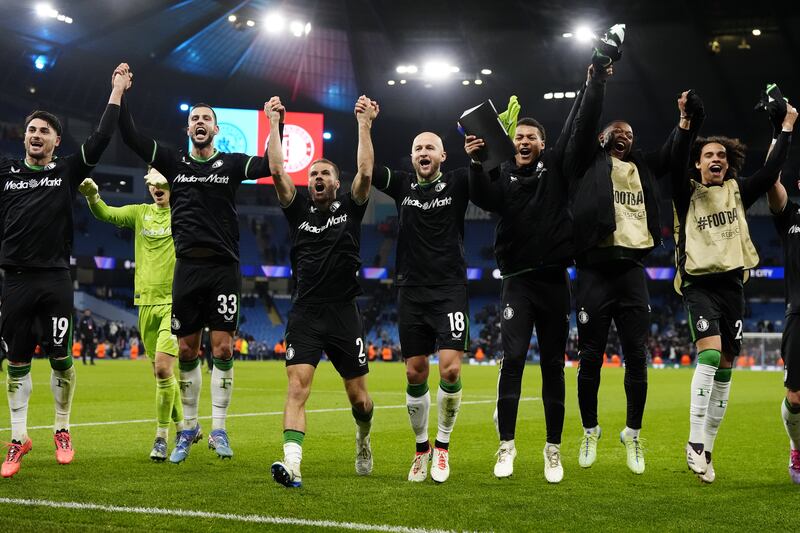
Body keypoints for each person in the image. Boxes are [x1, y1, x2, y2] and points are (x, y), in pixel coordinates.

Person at [116, 63, 282, 463]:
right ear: (188, 129)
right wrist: (119, 93)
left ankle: (220, 430)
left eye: (207, 118)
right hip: (186, 268)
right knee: (187, 351)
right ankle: (189, 429)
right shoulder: (174, 162)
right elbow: (133, 137)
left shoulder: (231, 164)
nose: (201, 123)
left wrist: (274, 123)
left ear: (216, 129)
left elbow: (273, 167)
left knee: (222, 347)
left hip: (224, 267)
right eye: (195, 119)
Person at [465, 66, 608, 481]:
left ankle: (552, 450)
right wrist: (476, 164)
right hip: (518, 282)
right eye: (518, 137)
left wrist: (592, 83)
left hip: (553, 282)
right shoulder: (502, 174)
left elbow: (578, 127)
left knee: (551, 365)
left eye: (531, 137)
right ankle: (506, 446)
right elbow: (486, 199)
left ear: (543, 144)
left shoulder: (558, 171)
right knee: (511, 360)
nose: (524, 141)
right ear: (511, 143)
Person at [568, 57, 699, 474]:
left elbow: (673, 153)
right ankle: (590, 430)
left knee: (637, 357)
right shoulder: (586, 163)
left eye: (628, 134)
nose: (622, 136)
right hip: (591, 270)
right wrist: (596, 84)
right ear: (602, 138)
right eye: (615, 132)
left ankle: (633, 434)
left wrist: (684, 123)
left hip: (630, 273)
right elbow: (586, 122)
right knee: (589, 358)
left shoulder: (641, 166)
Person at [0, 64, 125, 478]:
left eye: (43, 131)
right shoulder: (6, 172)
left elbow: (102, 137)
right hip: (14, 279)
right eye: (31, 130)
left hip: (54, 278)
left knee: (60, 360)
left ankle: (62, 429)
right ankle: (19, 438)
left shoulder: (66, 172)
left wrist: (116, 91)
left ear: (56, 141)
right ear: (25, 136)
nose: (35, 135)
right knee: (16, 362)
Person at [678, 100, 797, 483]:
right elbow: (678, 151)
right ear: (697, 163)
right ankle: (695, 442)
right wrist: (689, 122)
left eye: (722, 156)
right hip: (698, 285)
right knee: (710, 354)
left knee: (727, 367)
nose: (716, 159)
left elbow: (770, 171)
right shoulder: (685, 192)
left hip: (733, 287)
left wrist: (787, 126)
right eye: (708, 155)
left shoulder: (737, 191)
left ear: (728, 164)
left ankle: (707, 449)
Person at [269, 95, 376, 488]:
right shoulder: (297, 211)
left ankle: (363, 438)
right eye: (313, 174)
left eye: (324, 174)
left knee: (359, 400)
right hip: (306, 313)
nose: (316, 179)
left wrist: (364, 125)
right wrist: (273, 123)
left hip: (344, 313)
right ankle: (292, 463)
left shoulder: (352, 208)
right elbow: (277, 169)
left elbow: (365, 171)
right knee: (297, 386)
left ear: (336, 182)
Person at [366, 120, 469, 484]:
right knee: (414, 372)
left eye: (430, 148)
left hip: (449, 288)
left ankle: (442, 445)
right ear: (411, 157)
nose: (424, 153)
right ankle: (422, 448)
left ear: (443, 155)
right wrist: (365, 125)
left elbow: (490, 174)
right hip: (410, 290)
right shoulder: (402, 185)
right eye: (418, 148)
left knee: (451, 370)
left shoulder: (459, 181)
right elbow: (366, 169)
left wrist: (492, 143)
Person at [77, 167, 185, 461]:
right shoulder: (140, 213)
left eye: (162, 182)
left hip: (175, 302)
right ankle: (184, 426)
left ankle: (161, 437)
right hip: (145, 303)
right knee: (161, 374)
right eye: (151, 183)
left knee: (163, 368)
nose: (156, 188)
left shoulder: (185, 212)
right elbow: (106, 214)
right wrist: (93, 197)